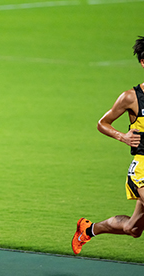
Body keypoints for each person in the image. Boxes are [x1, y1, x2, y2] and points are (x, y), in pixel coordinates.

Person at [72, 36, 144, 254]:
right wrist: (123, 137)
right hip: (142, 167)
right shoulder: (131, 97)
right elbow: (102, 123)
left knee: (133, 229)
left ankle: (89, 229)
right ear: (143, 62)